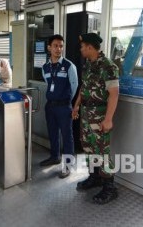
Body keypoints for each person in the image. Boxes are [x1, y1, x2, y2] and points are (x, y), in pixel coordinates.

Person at [72, 33, 120, 204]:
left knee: (102, 151)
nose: (81, 49)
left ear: (90, 47)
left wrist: (108, 119)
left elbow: (114, 95)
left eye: (82, 46)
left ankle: (109, 187)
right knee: (88, 147)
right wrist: (76, 105)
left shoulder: (108, 67)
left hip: (100, 116)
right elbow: (83, 87)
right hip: (86, 114)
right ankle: (94, 177)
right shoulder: (88, 65)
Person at [39, 35, 78, 178]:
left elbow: (74, 86)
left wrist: (66, 100)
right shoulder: (45, 67)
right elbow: (48, 83)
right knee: (53, 133)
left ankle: (67, 165)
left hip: (64, 106)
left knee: (67, 136)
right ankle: (54, 156)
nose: (58, 49)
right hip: (50, 106)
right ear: (49, 47)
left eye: (61, 46)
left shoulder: (69, 66)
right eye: (55, 45)